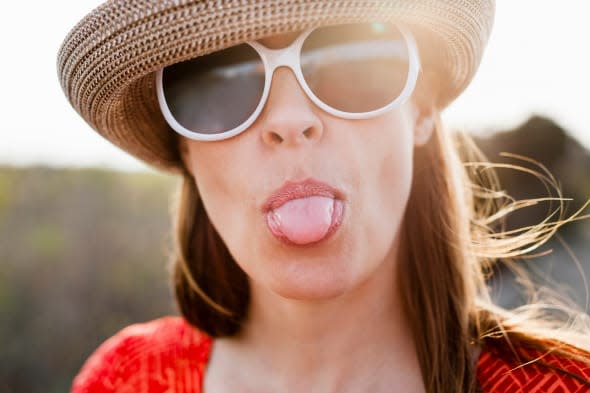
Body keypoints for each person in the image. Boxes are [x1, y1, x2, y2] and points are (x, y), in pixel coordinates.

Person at [57, 0, 590, 392]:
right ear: (186, 153)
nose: (292, 120)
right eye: (218, 83)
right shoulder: (124, 380)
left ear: (421, 109)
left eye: (353, 61)